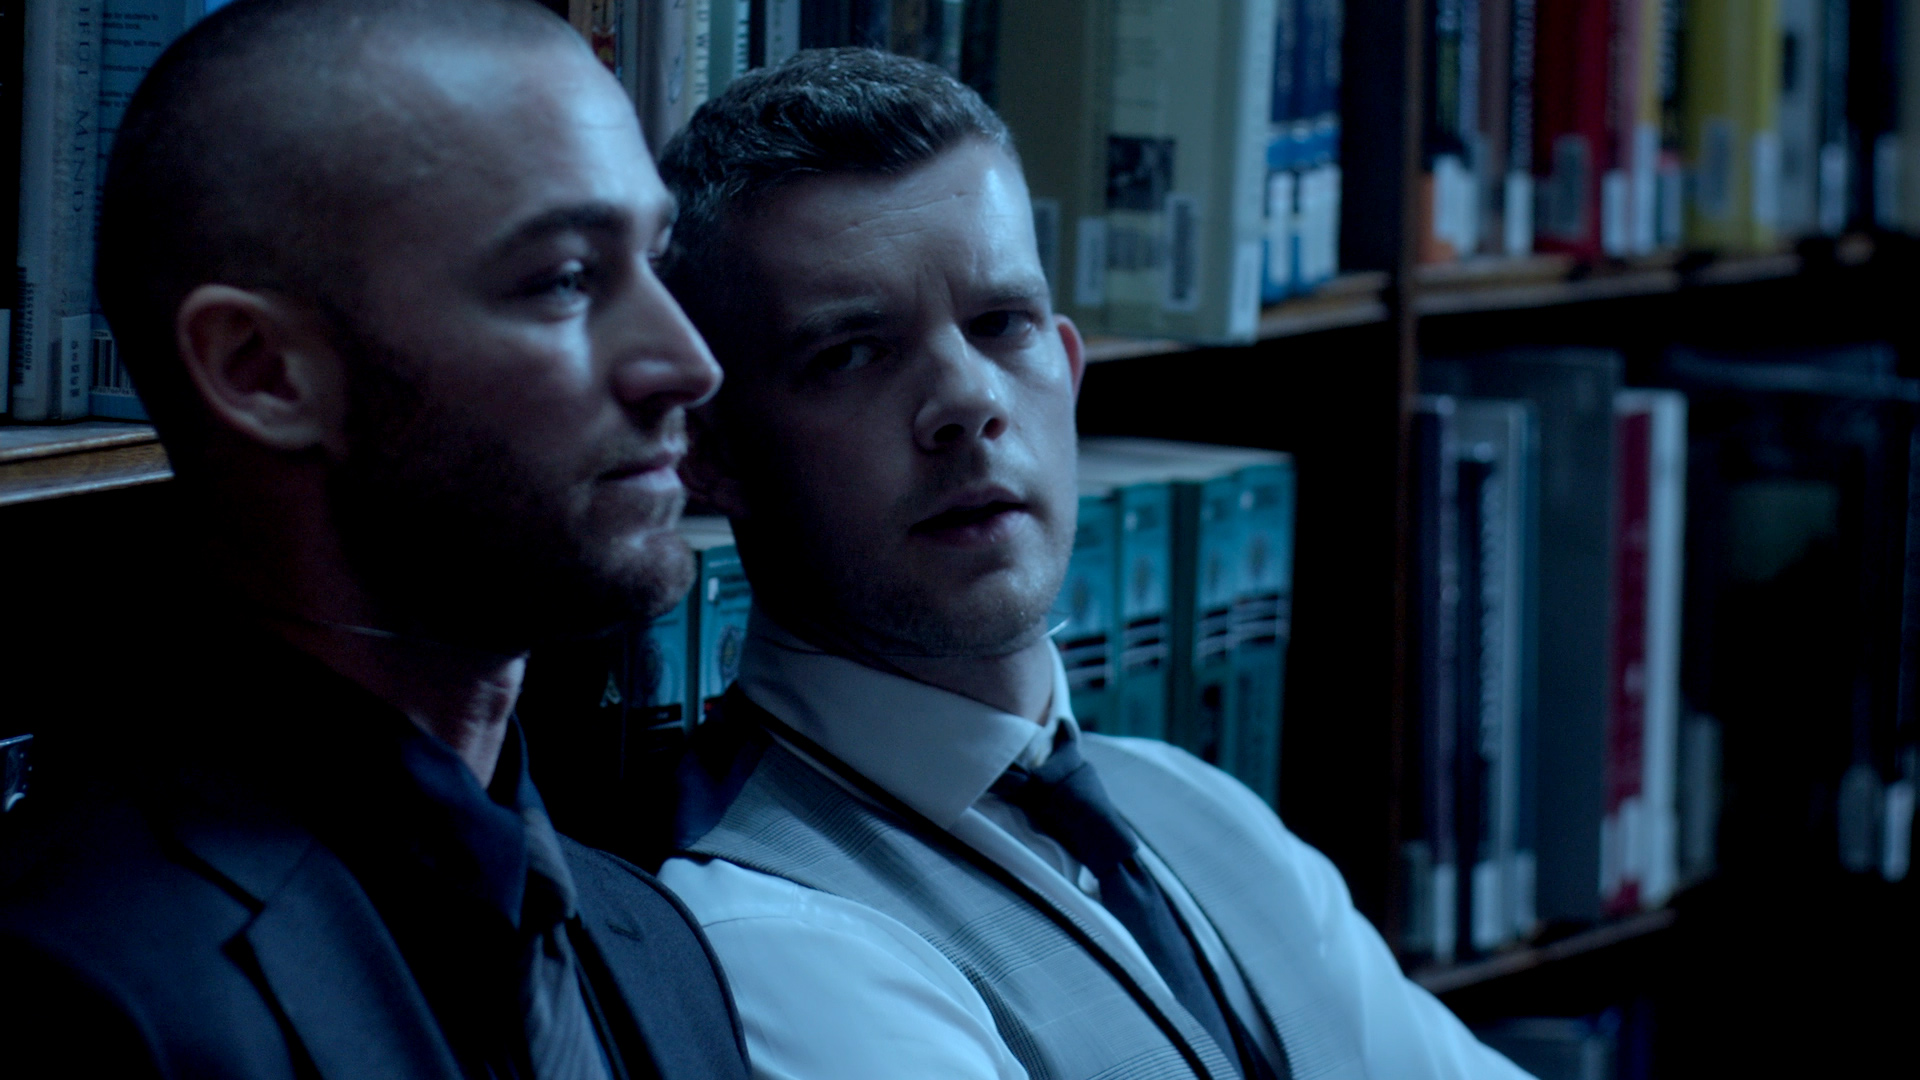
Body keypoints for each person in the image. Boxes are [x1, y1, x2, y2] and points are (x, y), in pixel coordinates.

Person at [650, 49, 1531, 1080]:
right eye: (852, 352)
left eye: (1000, 325)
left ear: (1067, 371)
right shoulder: (769, 934)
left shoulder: (1195, 808)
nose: (967, 401)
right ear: (708, 452)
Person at [0, 1, 748, 1077]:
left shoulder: (656, 949)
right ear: (262, 371)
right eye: (565, 280)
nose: (689, 364)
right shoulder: (77, 1001)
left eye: (657, 262)